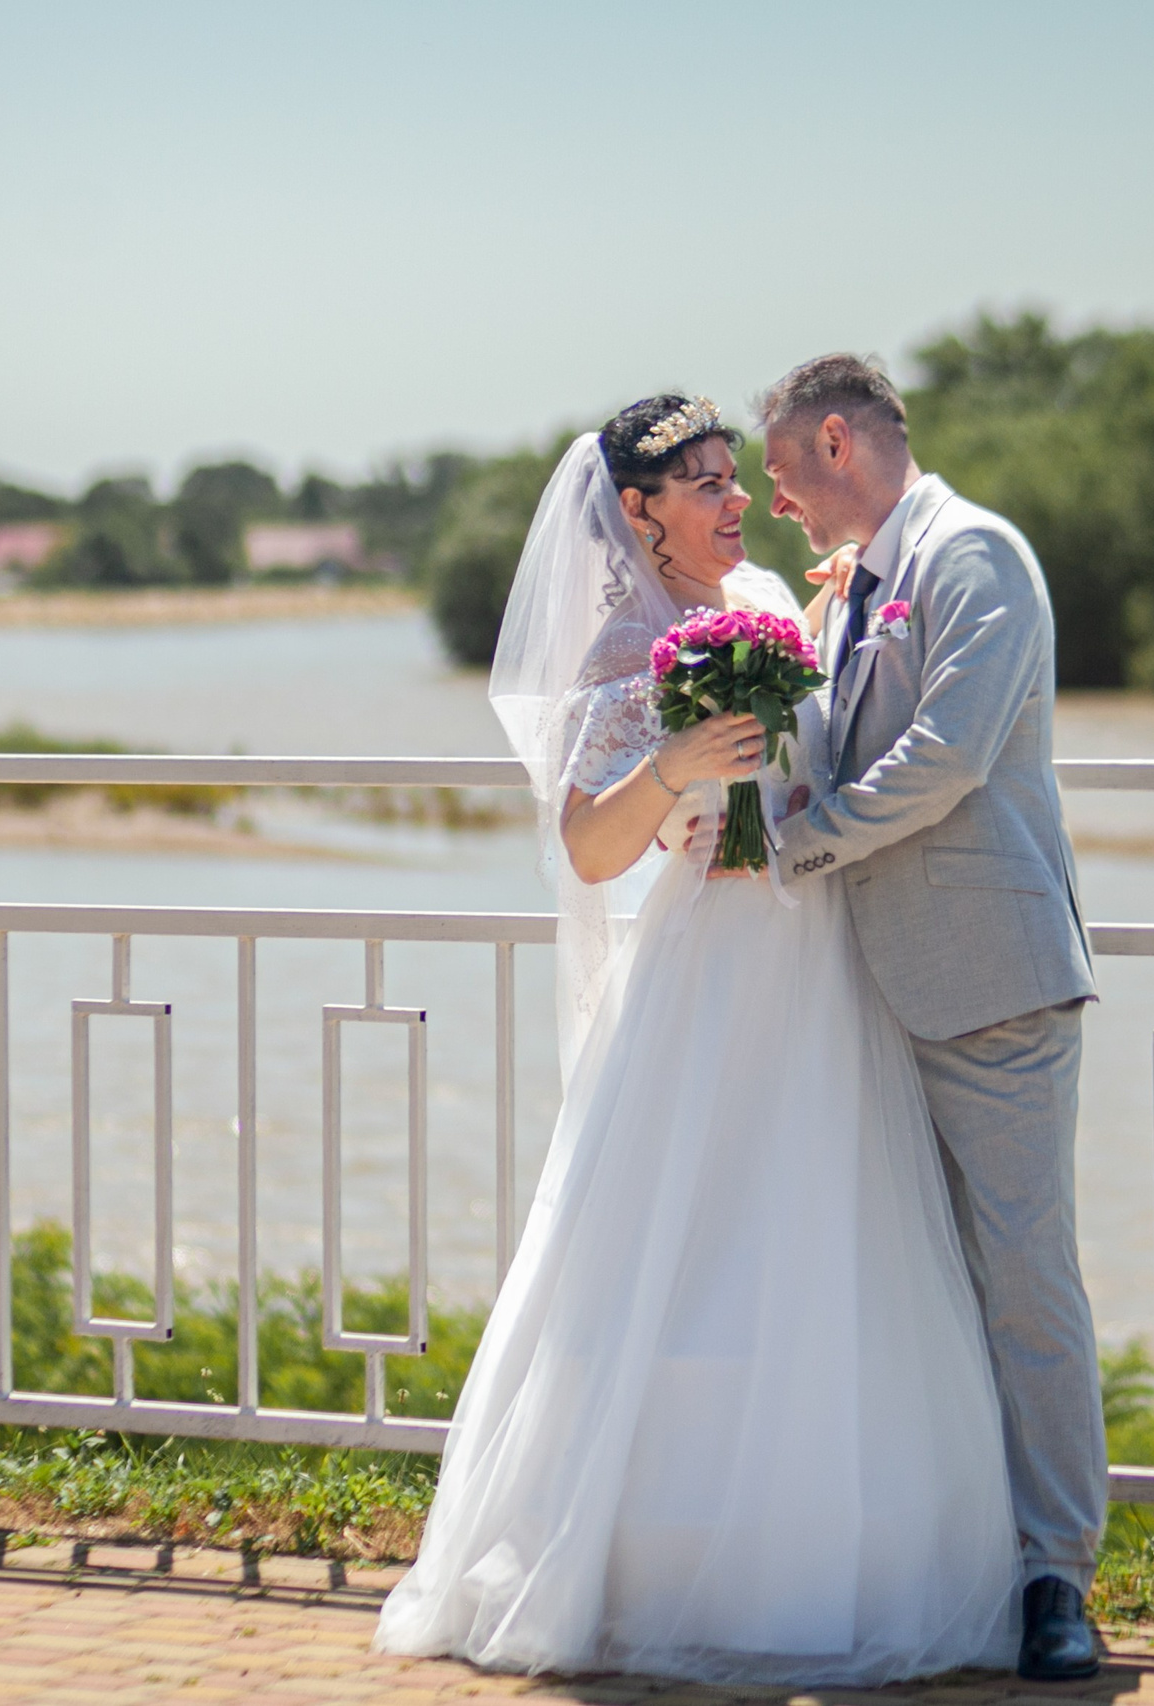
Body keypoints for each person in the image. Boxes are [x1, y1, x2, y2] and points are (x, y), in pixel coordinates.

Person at [373, 395, 1024, 1685]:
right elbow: (587, 846)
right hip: (703, 973)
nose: (738, 502)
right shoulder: (623, 642)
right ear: (638, 514)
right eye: (709, 485)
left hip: (820, 959)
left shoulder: (780, 597)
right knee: (682, 1243)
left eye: (739, 479)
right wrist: (675, 768)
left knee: (826, 1236)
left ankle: (829, 1552)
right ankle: (654, 1561)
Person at [756, 353, 1107, 1680]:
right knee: (913, 1277)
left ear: (837, 442)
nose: (780, 504)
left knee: (1022, 1275)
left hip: (990, 975)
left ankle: (1056, 1573)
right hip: (871, 980)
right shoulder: (869, 577)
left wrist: (805, 844)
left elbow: (950, 754)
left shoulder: (977, 557)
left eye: (784, 475)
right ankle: (948, 1548)